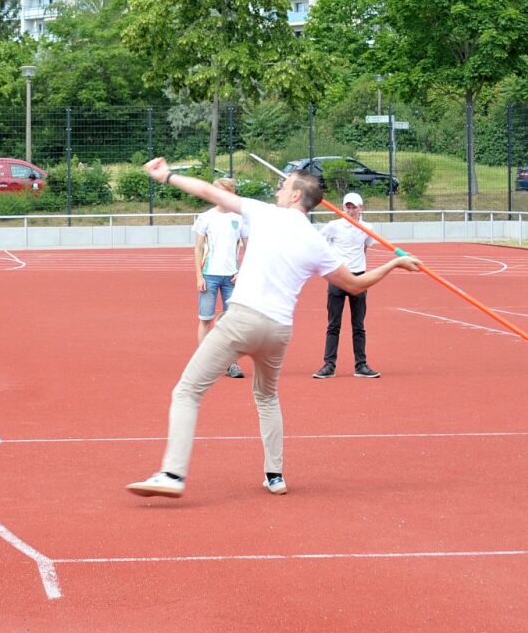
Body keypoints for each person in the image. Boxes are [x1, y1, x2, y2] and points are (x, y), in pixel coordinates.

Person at [128, 158, 419, 499]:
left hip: (242, 319)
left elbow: (209, 191)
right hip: (278, 331)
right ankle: (275, 475)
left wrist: (168, 176)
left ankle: (173, 473)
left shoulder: (264, 213)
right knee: (266, 397)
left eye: (284, 186)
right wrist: (396, 263)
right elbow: (356, 285)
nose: (278, 190)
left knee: (187, 392)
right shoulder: (316, 242)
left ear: (296, 196)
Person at [313, 192, 380, 379]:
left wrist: (359, 265)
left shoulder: (367, 228)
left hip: (359, 278)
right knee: (333, 324)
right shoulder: (334, 226)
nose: (350, 211)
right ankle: (329, 365)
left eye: (353, 207)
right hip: (337, 277)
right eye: (347, 207)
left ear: (361, 208)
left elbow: (365, 246)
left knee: (358, 325)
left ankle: (361, 365)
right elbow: (319, 242)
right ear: (343, 208)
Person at [192, 176, 248, 380]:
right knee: (206, 320)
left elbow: (249, 248)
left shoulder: (239, 217)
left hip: (231, 278)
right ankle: (203, 364)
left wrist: (242, 271)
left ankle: (231, 364)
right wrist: (199, 275)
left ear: (231, 193)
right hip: (209, 275)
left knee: (230, 322)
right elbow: (198, 248)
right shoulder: (206, 217)